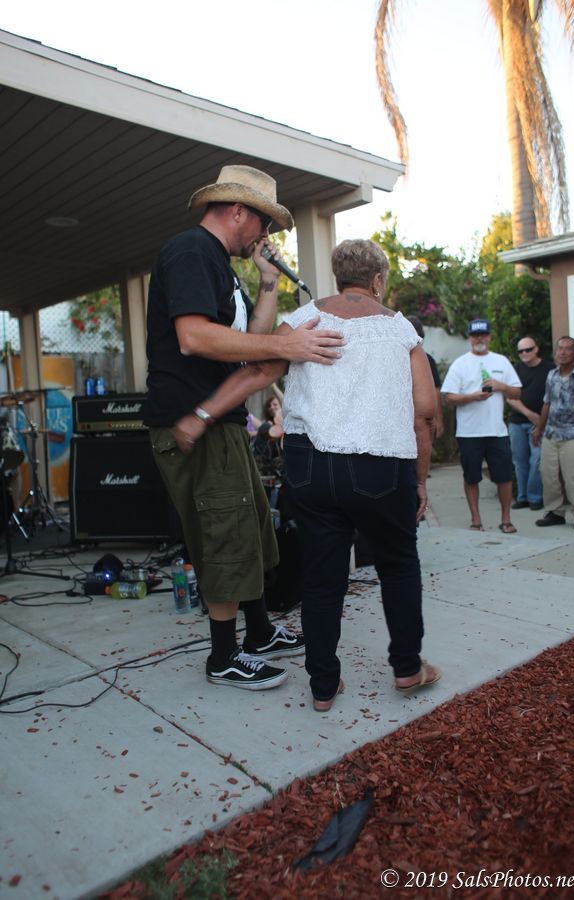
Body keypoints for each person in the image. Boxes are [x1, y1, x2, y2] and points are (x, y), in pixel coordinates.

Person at [172, 238, 441, 711]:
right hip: (382, 467)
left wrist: (201, 415)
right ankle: (406, 667)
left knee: (322, 577)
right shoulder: (401, 330)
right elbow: (425, 413)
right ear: (378, 280)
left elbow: (259, 373)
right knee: (398, 566)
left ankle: (322, 686)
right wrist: (419, 480)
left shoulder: (303, 319)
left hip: (312, 467)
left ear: (339, 277)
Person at [143, 164, 344, 691]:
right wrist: (284, 345)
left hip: (223, 421)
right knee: (225, 535)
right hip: (192, 422)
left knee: (251, 528)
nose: (265, 234)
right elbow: (193, 337)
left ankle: (258, 633)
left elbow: (249, 341)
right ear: (237, 212)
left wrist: (269, 282)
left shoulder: (220, 264)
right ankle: (223, 655)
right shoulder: (191, 251)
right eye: (265, 223)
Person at [440, 318, 522, 533]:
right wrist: (472, 397)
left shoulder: (501, 361)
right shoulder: (460, 364)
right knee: (471, 477)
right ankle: (476, 520)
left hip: (497, 431)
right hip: (469, 433)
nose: (479, 339)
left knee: (504, 477)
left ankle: (506, 520)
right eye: (475, 335)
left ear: (489, 337)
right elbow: (448, 398)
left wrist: (500, 386)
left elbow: (516, 392)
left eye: (483, 334)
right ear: (469, 338)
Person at [533, 336, 574, 530]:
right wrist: (539, 428)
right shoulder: (551, 375)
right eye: (559, 348)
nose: (562, 352)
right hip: (551, 433)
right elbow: (547, 403)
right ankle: (554, 512)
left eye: (568, 349)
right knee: (549, 475)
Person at [506, 336, 554, 511]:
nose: (524, 353)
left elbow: (553, 397)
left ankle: (535, 497)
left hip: (541, 423)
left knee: (537, 460)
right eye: (521, 351)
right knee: (520, 461)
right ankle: (522, 497)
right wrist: (529, 414)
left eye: (528, 349)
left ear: (536, 349)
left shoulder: (550, 369)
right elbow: (509, 397)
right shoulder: (515, 370)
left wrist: (540, 421)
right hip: (517, 422)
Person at [406, 315, 445, 439]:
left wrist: (439, 418)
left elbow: (436, 390)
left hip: (422, 419)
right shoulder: (396, 359)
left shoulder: (428, 360)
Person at [252, 393, 284, 476]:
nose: (272, 407)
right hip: (266, 465)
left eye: (275, 404)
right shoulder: (266, 425)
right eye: (269, 406)